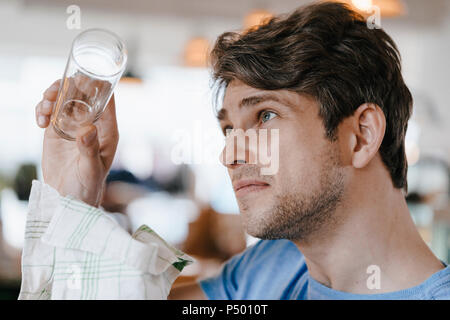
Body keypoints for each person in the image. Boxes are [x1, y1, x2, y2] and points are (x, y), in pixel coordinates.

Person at [31, 2, 450, 299]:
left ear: (360, 135)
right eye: (229, 128)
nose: (230, 154)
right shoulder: (272, 269)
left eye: (265, 116)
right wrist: (71, 199)